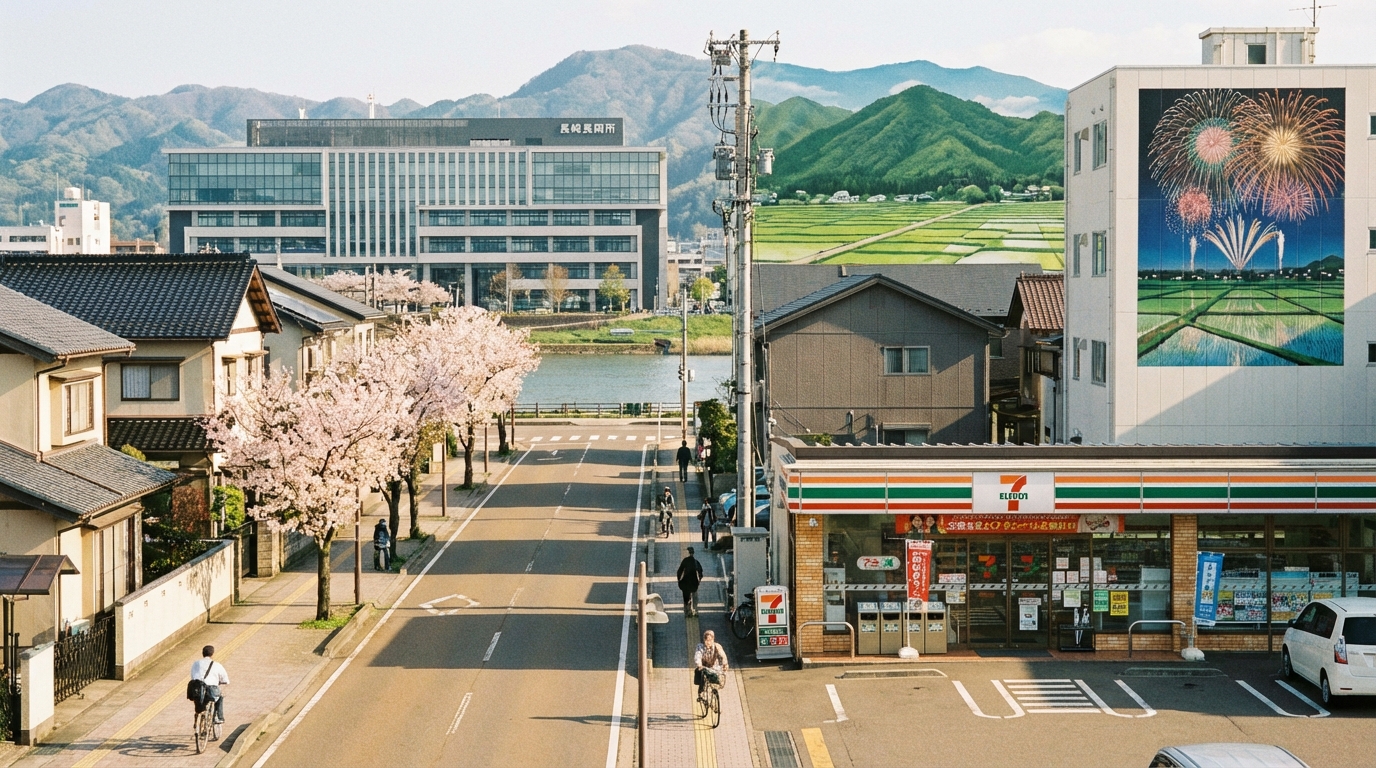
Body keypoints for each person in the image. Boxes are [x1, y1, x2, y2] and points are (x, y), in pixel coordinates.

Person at [190, 645, 229, 727]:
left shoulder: (196, 663)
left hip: (196, 689)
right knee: (220, 696)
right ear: (212, 654)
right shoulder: (217, 665)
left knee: (199, 704)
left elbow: (193, 676)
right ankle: (219, 717)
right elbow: (225, 679)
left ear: (202, 653)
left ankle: (198, 720)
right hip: (211, 690)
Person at [693, 629, 729, 699]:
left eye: (710, 640)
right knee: (702, 677)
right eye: (707, 640)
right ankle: (701, 692)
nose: (708, 642)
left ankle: (713, 690)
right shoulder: (700, 647)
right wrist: (699, 664)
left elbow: (723, 656)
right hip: (704, 666)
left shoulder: (717, 646)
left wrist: (725, 664)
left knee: (716, 678)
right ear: (704, 640)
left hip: (714, 667)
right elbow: (698, 655)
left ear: (713, 640)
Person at [677, 546, 703, 617]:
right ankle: (695, 610)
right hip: (694, 583)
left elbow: (679, 571)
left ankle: (687, 611)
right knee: (695, 597)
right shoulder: (696, 562)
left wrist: (679, 580)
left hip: (685, 582)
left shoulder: (685, 561)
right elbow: (700, 572)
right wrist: (699, 580)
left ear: (688, 552)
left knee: (686, 598)